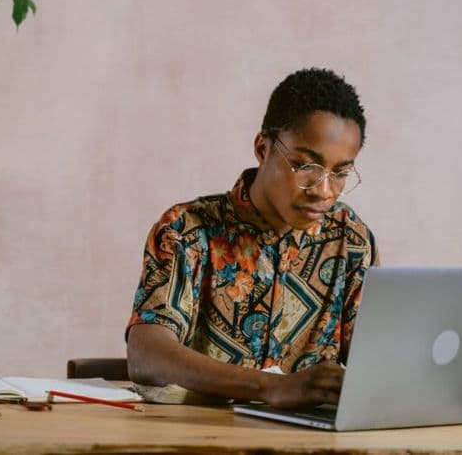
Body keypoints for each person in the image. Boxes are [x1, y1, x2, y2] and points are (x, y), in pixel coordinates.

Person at [126, 68, 379, 409]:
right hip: (201, 438)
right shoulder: (188, 230)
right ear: (263, 148)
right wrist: (269, 387)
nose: (323, 191)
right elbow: (147, 355)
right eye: (306, 166)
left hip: (309, 443)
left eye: (340, 174)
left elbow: (380, 359)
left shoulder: (351, 240)